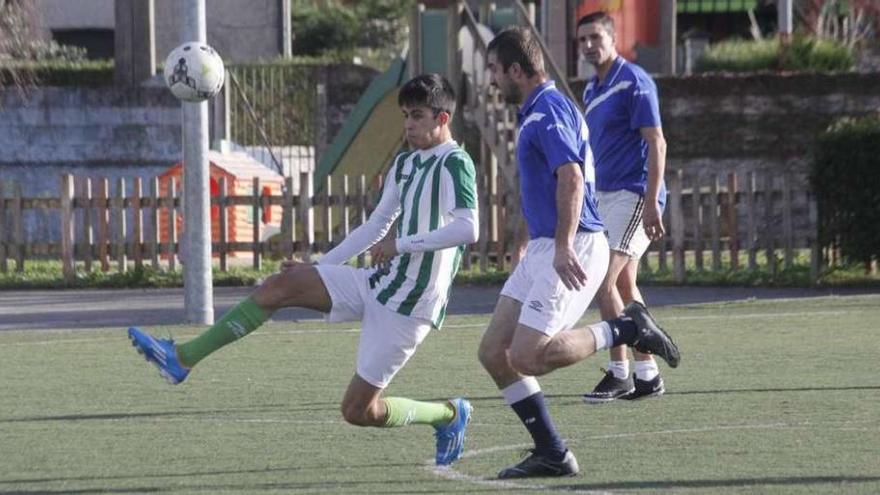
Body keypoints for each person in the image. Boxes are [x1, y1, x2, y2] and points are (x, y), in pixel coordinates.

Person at [127, 73, 478, 467]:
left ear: (442, 118)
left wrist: (401, 244)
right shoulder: (406, 162)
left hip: (411, 305)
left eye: (417, 116)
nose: (408, 124)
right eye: (405, 116)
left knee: (358, 411)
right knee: (283, 284)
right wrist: (321, 266)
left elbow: (468, 228)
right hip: (379, 282)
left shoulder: (455, 163)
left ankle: (449, 415)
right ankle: (183, 358)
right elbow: (376, 225)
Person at [478, 27, 680, 479]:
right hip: (546, 247)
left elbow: (570, 178)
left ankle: (625, 327)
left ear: (515, 70)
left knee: (527, 356)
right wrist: (531, 239)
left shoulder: (547, 110)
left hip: (572, 245)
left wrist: (563, 243)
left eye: (494, 69)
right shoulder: (538, 109)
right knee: (494, 351)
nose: (491, 79)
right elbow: (548, 184)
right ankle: (552, 452)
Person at [577, 12, 671, 403]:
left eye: (595, 38)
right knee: (624, 284)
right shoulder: (590, 89)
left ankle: (619, 373)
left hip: (634, 194)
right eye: (581, 40)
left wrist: (651, 201)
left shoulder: (634, 82)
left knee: (603, 278)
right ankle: (648, 375)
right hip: (605, 196)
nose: (587, 46)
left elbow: (657, 142)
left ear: (613, 39)